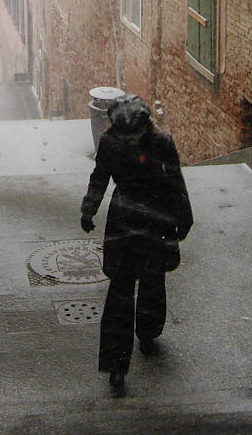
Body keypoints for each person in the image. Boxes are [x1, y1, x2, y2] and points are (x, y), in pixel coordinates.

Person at [80, 95, 193, 395]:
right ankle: (148, 332)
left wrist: (89, 209)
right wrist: (184, 218)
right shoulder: (161, 141)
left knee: (120, 291)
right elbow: (175, 182)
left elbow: (99, 179)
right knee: (152, 282)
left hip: (124, 219)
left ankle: (117, 365)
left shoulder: (111, 143)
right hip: (156, 217)